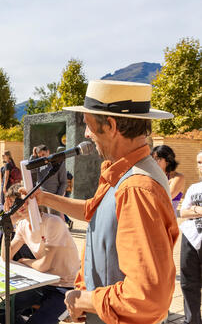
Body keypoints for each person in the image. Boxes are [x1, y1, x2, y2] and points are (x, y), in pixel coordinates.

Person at [23, 80, 178, 323]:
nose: (86, 134)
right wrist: (42, 197)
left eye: (89, 125)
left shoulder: (136, 188)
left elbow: (147, 297)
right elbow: (95, 212)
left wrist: (84, 300)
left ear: (112, 125)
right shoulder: (122, 171)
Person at [0, 184, 79, 324]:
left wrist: (25, 261)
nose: (20, 206)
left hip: (65, 287)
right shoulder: (22, 225)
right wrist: (9, 225)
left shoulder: (53, 222)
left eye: (22, 201)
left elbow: (44, 265)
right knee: (0, 312)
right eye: (13, 203)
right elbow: (6, 256)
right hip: (43, 283)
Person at [178, 151, 202, 324]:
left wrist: (193, 211)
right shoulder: (194, 188)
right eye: (199, 162)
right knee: (188, 283)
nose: (201, 166)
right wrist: (197, 211)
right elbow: (183, 212)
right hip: (190, 239)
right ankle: (192, 320)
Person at [33, 145, 67, 220]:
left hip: (53, 198)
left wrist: (57, 197)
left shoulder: (58, 163)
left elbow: (64, 182)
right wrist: (33, 156)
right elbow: (30, 169)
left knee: (55, 223)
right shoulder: (39, 163)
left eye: (43, 155)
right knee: (42, 223)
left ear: (48, 152)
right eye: (39, 156)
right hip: (40, 198)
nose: (41, 157)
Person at [152, 145, 186, 216]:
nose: (154, 162)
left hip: (168, 223)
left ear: (168, 161)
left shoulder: (178, 177)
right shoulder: (153, 177)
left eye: (158, 159)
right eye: (152, 159)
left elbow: (166, 197)